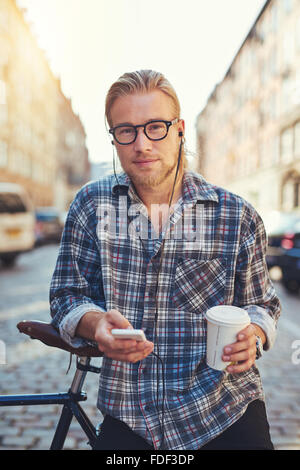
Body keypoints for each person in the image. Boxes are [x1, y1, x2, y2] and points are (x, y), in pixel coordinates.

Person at [50, 69, 281, 451]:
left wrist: (252, 335)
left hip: (222, 410)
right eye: (126, 131)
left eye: (155, 127)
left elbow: (262, 305)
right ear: (114, 138)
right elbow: (66, 297)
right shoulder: (90, 206)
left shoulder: (236, 215)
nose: (141, 144)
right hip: (129, 414)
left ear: (179, 130)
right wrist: (95, 325)